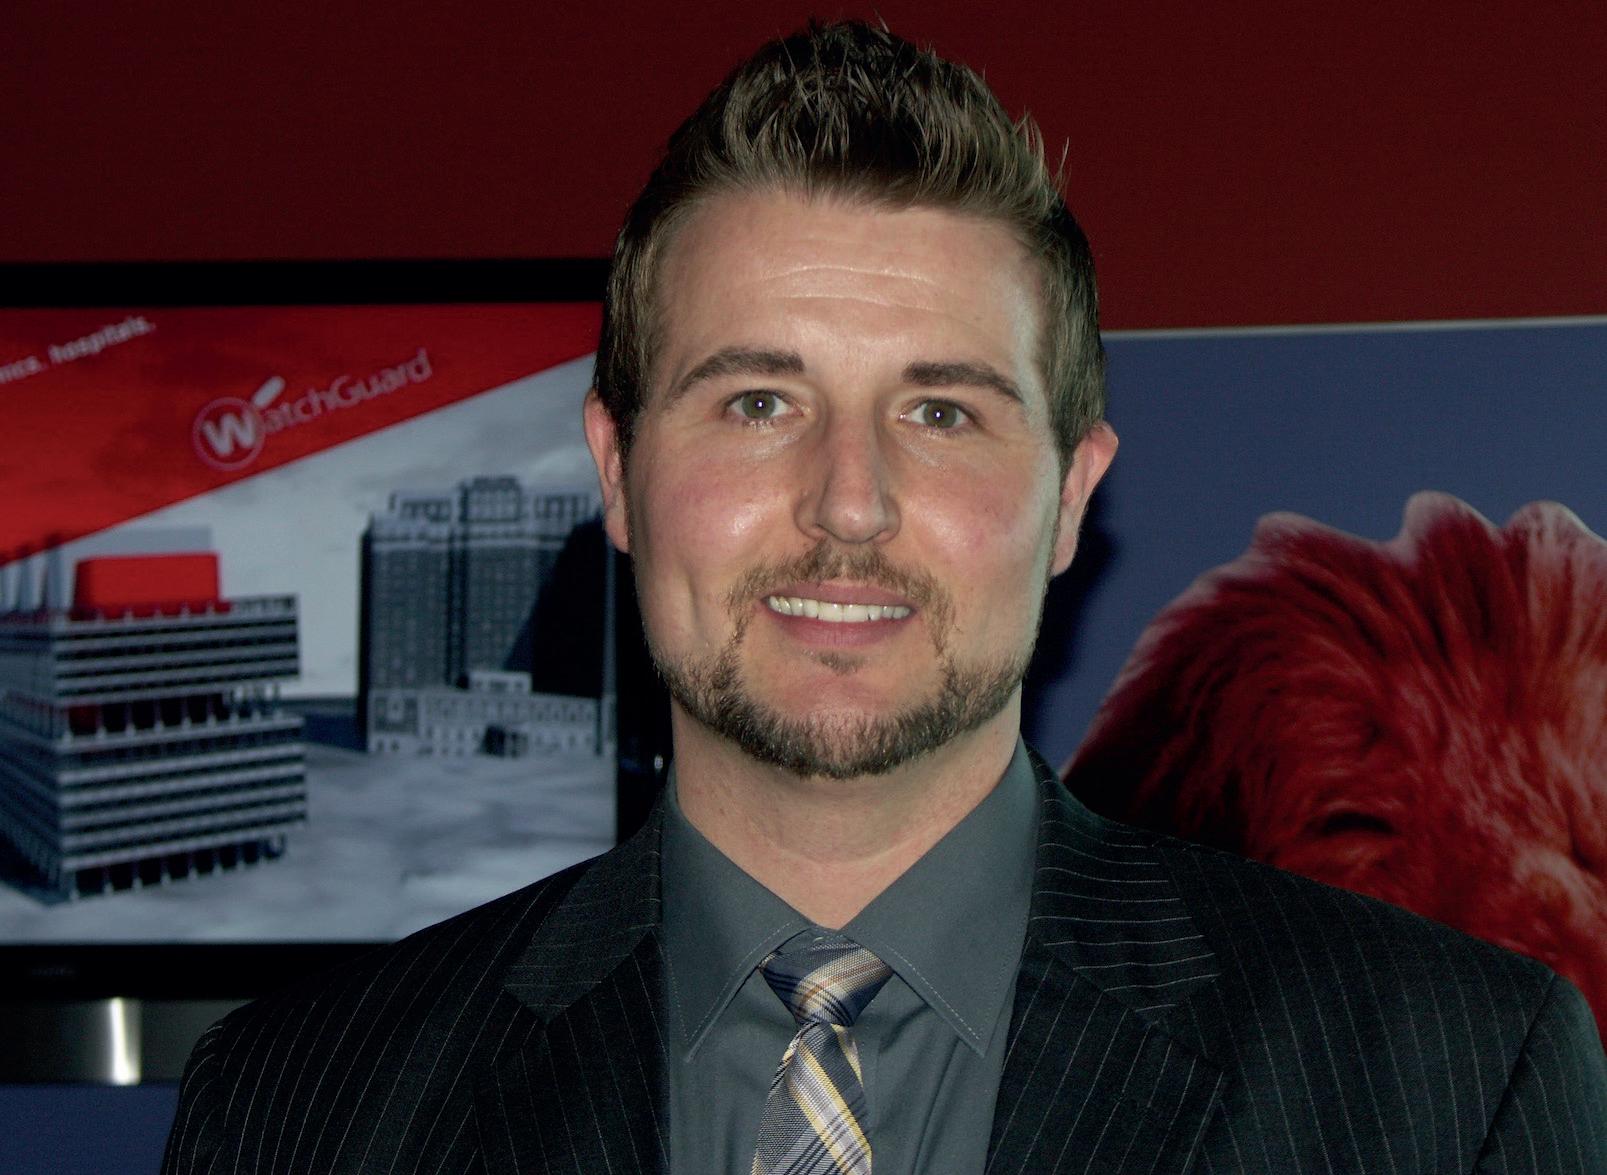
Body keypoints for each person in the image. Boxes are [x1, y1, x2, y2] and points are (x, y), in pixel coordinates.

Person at [163, 21, 1607, 1174]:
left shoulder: (1453, 1084)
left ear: (1072, 497)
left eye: (941, 413)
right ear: (616, 471)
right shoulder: (303, 1110)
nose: (846, 503)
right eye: (757, 401)